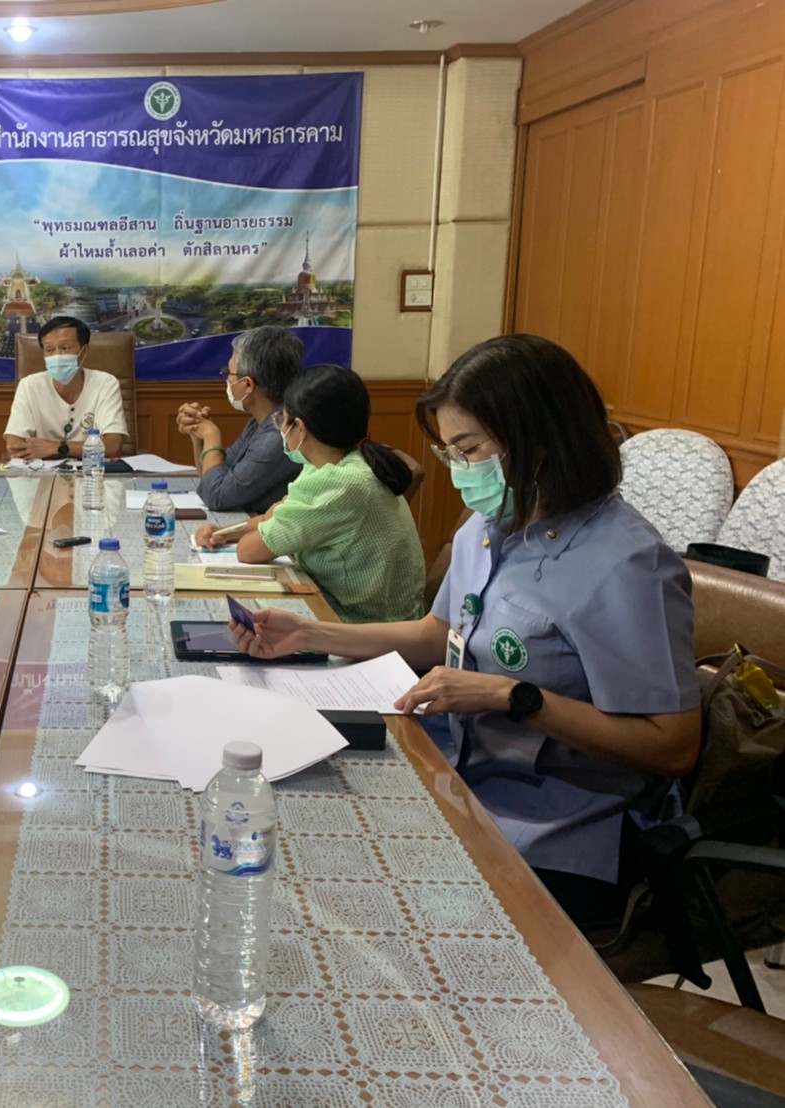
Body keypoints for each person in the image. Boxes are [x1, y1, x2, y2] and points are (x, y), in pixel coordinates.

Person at [229, 335, 701, 925]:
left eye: (470, 449)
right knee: (293, 836)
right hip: (457, 772)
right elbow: (437, 634)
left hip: (559, 828)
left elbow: (673, 746)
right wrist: (309, 635)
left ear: (540, 439)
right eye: (450, 452)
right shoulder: (488, 524)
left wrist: (514, 697)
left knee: (371, 912)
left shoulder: (627, 565)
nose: (460, 470)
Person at [197, 364, 425, 624]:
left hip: (363, 627)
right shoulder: (338, 462)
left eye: (282, 420)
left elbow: (249, 551)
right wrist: (224, 533)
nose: (281, 429)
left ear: (300, 428)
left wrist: (271, 516)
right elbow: (275, 519)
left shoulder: (338, 483)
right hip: (367, 615)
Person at [176, 326, 304, 513]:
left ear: (248, 384)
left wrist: (211, 435)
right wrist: (198, 435)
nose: (227, 379)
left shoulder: (280, 433)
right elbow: (212, 479)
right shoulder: (259, 422)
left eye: (229, 372)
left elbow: (217, 496)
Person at [4, 316, 128, 460]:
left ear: (84, 351)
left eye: (65, 348)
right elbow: (14, 447)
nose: (57, 356)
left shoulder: (105, 383)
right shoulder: (29, 385)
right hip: (42, 471)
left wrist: (57, 448)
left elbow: (113, 447)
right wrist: (83, 449)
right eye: (49, 349)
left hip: (92, 471)